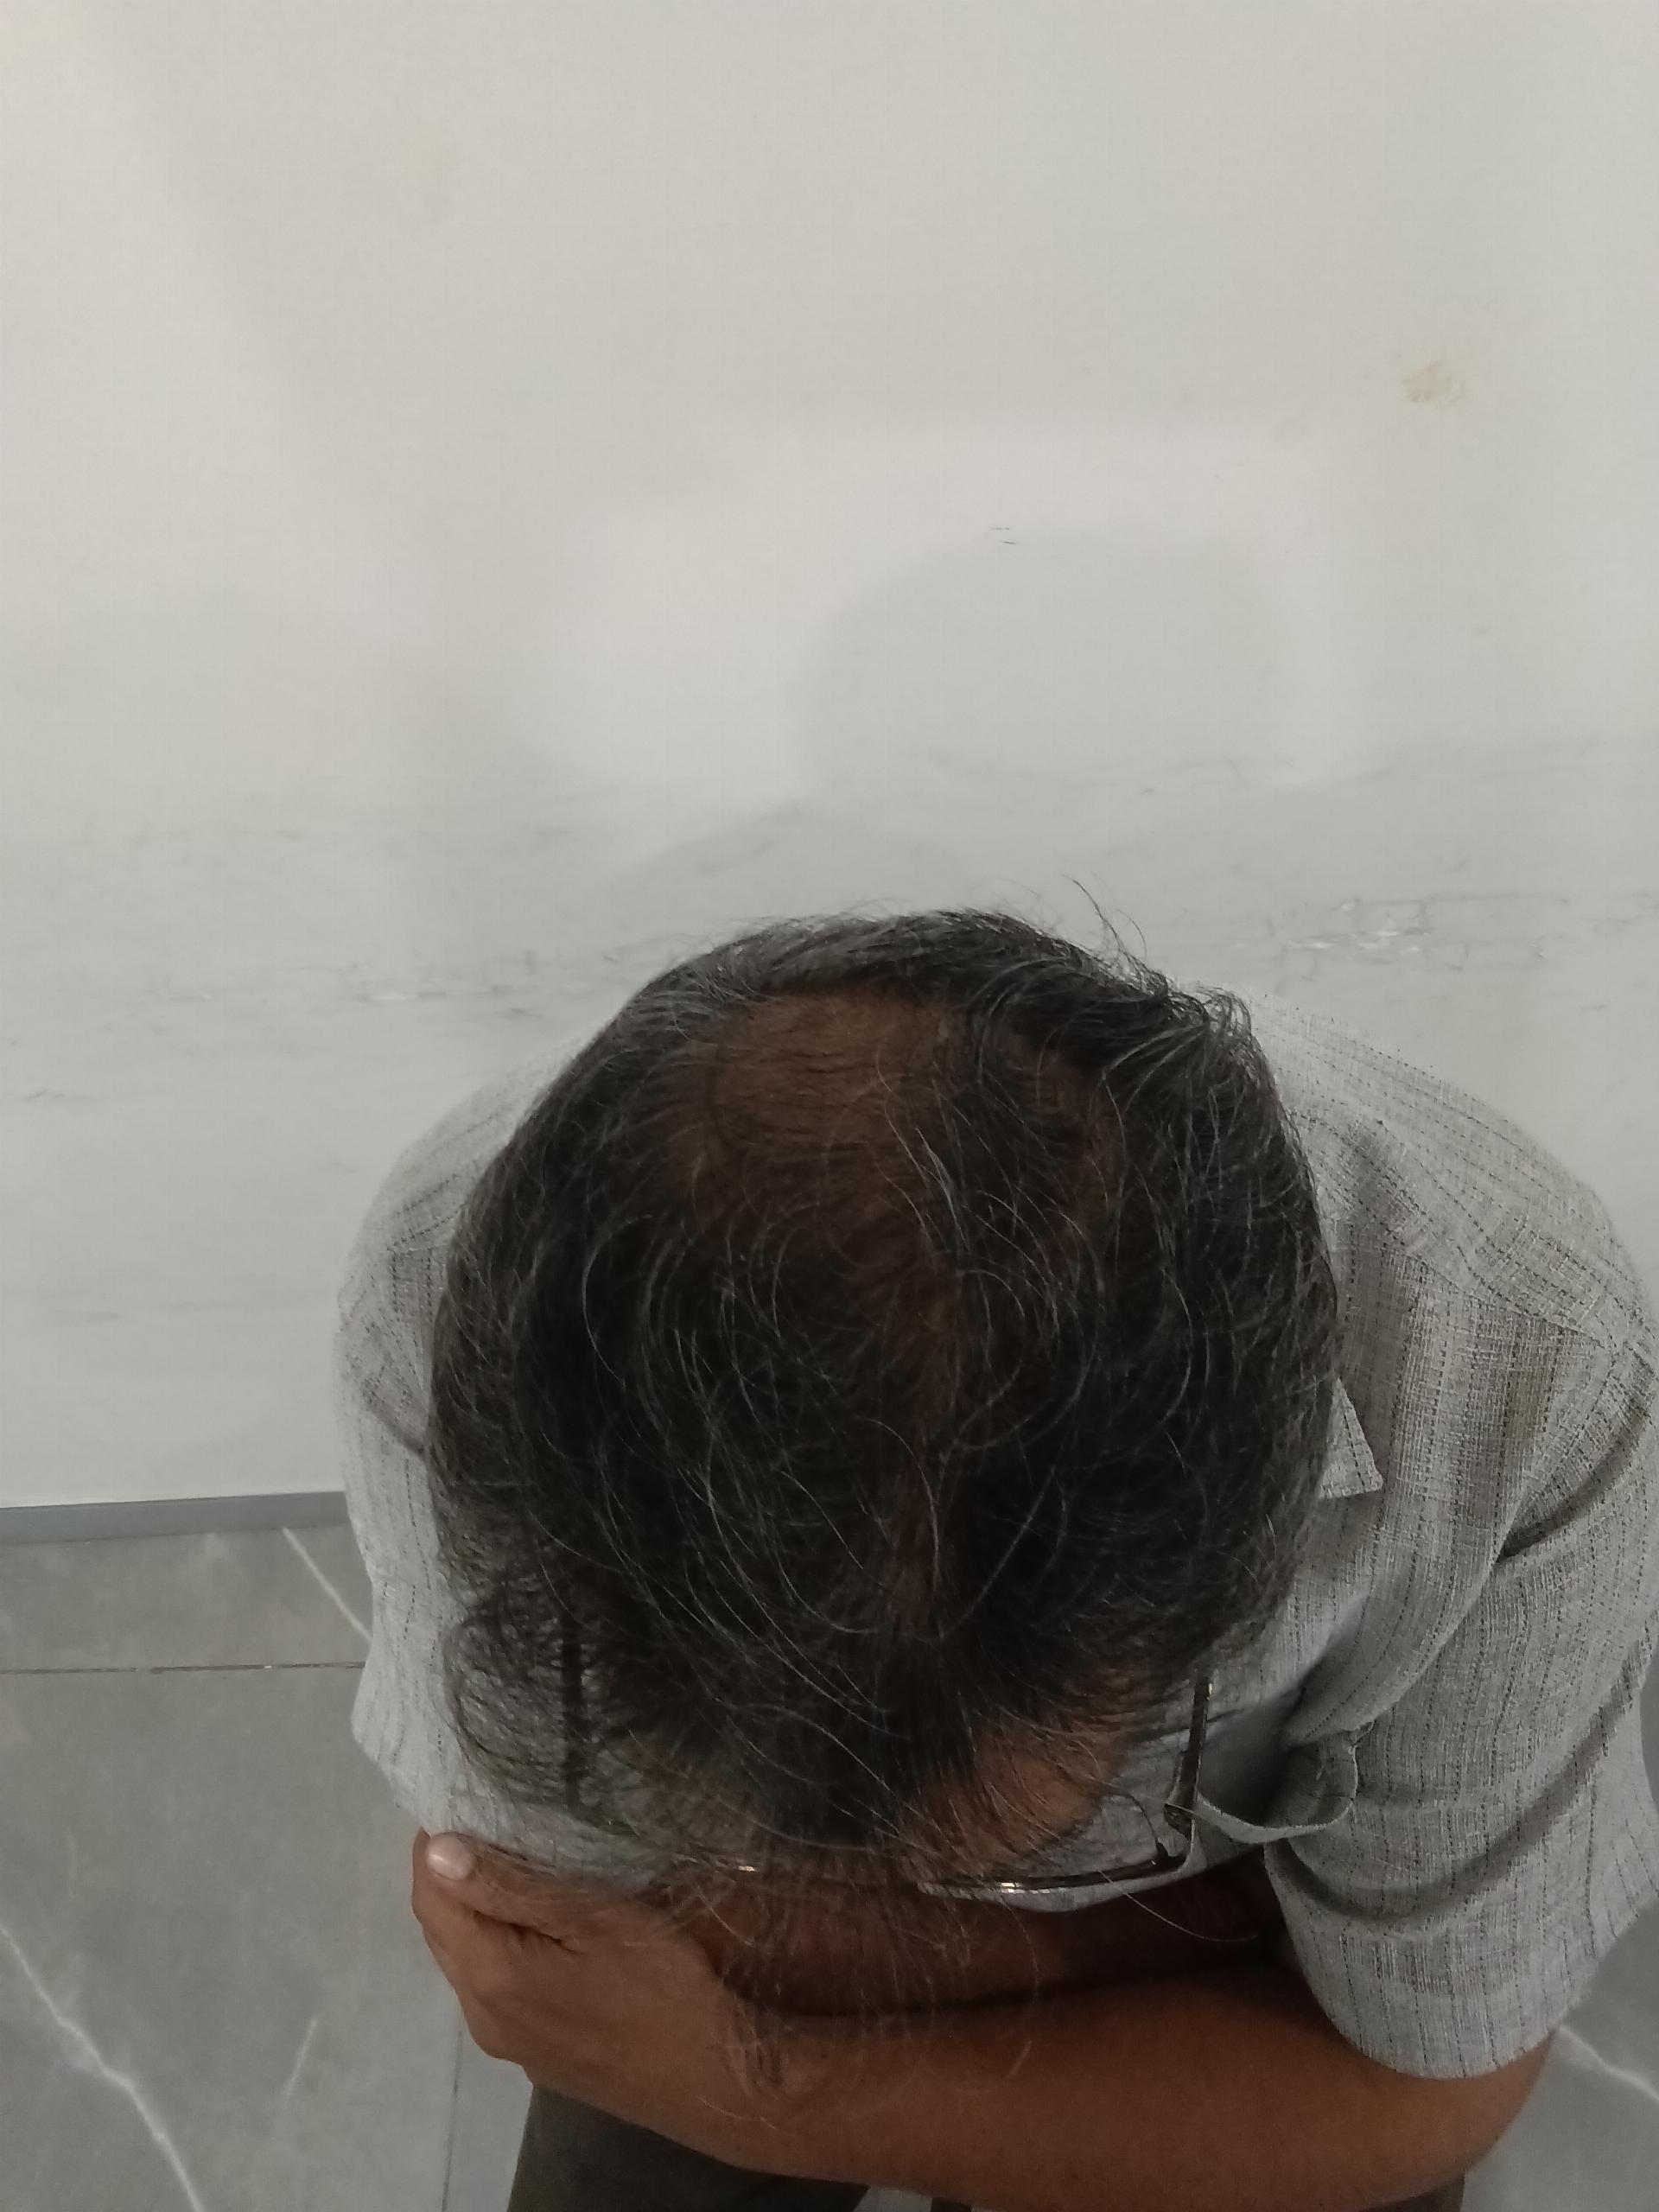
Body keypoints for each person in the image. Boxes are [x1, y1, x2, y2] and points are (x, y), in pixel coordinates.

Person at [334, 909, 1659, 2211]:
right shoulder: (446, 1287)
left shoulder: (1527, 1368)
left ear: (1246, 1567)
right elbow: (541, 1950)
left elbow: (1417, 2098)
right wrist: (1220, 1935)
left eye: (1036, 1845)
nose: (916, 1894)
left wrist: (756, 2073)